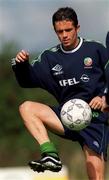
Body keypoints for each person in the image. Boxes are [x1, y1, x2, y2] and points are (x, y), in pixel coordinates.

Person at [11, 7, 109, 180]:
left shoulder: (96, 49)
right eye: (59, 31)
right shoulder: (50, 57)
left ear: (77, 28)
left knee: (96, 176)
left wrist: (103, 97)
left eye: (68, 30)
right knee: (27, 107)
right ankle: (50, 155)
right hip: (66, 116)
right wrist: (21, 65)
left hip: (94, 118)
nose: (64, 35)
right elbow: (27, 81)